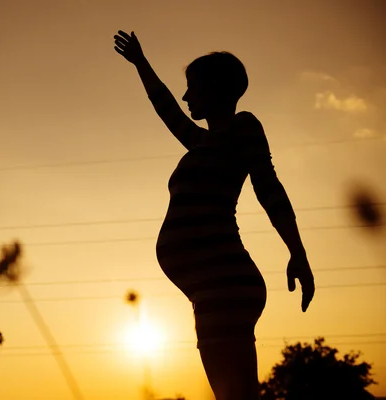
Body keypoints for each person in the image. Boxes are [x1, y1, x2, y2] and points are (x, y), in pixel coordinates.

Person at [113, 30, 315, 400]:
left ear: (216, 89)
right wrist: (140, 63)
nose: (187, 95)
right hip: (214, 286)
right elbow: (167, 109)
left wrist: (297, 252)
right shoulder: (204, 142)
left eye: (193, 87)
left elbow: (269, 189)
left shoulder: (244, 128)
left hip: (224, 281)